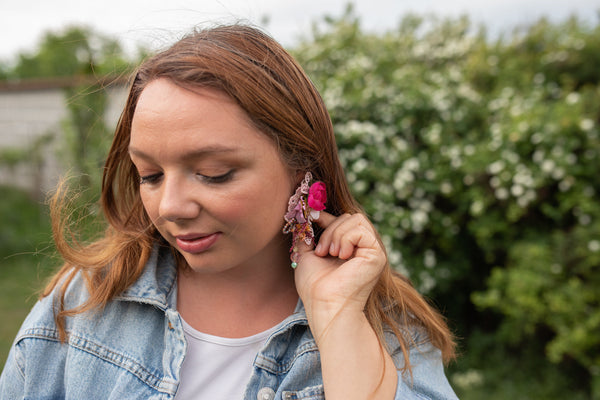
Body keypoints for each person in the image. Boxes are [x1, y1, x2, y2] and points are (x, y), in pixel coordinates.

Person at [0, 24, 458, 399]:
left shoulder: (388, 334)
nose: (171, 208)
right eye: (150, 175)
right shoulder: (83, 301)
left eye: (215, 173)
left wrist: (338, 319)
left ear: (302, 165)